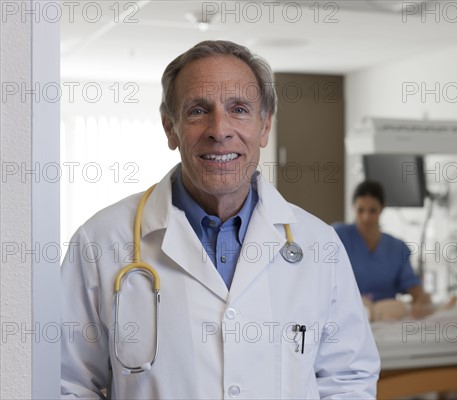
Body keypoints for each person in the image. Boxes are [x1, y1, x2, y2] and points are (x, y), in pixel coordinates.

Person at [60, 40, 379, 399]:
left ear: (264, 126)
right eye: (198, 110)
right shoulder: (100, 242)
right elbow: (67, 383)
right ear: (170, 127)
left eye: (239, 109)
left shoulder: (318, 245)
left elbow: (348, 380)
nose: (219, 130)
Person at [333, 181, 432, 320]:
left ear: (382, 208)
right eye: (360, 210)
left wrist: (421, 299)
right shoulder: (338, 237)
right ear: (353, 208)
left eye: (372, 210)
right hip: (347, 318)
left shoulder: (397, 248)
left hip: (386, 320)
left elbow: (412, 286)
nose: (366, 217)